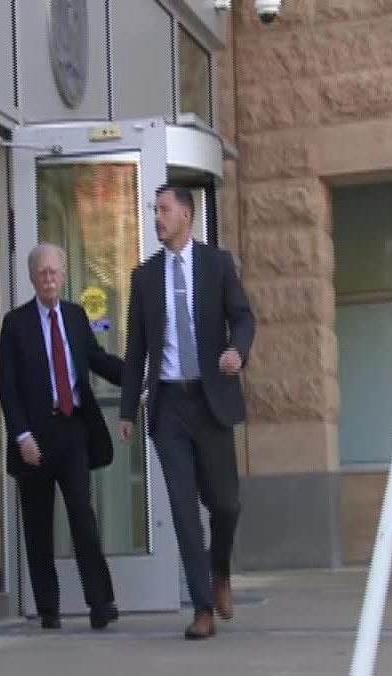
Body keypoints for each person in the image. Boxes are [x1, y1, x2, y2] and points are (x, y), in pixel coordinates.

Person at [118, 185, 256, 640]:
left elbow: (243, 317)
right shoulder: (145, 276)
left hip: (211, 399)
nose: (157, 217)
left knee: (226, 504)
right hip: (168, 406)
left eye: (164, 210)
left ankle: (220, 573)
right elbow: (135, 347)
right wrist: (127, 410)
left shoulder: (217, 265)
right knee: (181, 509)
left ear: (186, 215)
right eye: (154, 210)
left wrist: (237, 351)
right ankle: (201, 609)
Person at [0, 243, 125, 630]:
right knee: (37, 527)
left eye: (54, 272)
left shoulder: (74, 316)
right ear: (33, 278)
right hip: (34, 438)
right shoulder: (15, 324)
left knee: (83, 519)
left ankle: (100, 604)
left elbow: (97, 361)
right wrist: (22, 436)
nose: (49, 278)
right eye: (42, 273)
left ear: (64, 275)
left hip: (72, 431)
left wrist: (137, 376)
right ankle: (48, 608)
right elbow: (8, 387)